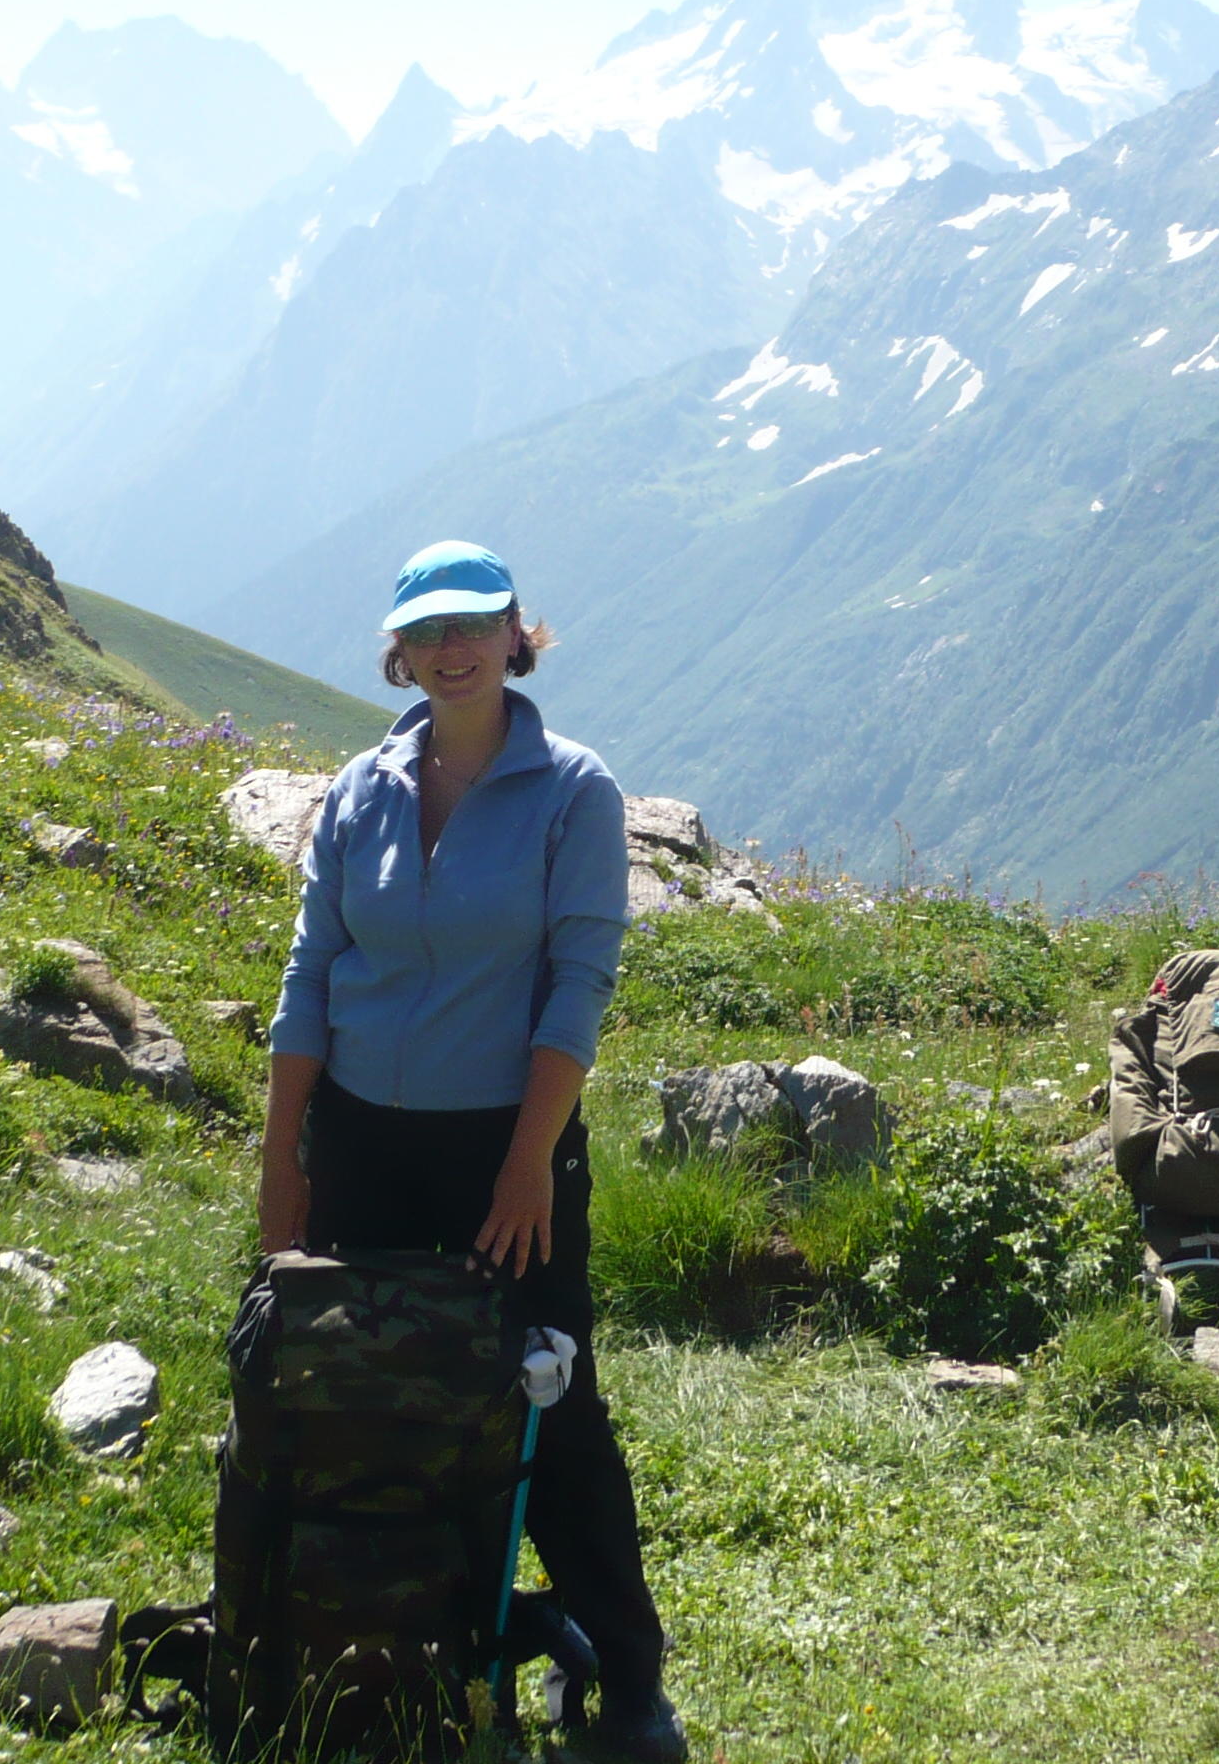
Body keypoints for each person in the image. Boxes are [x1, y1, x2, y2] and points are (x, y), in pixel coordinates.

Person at [257, 540, 686, 1763]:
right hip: (360, 1144)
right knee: (369, 1399)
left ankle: (633, 1686)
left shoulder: (574, 791)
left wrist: (527, 1167)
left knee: (550, 1404)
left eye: (474, 626)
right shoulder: (359, 791)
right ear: (399, 652)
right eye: (426, 632)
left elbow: (576, 986)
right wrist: (283, 1155)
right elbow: (311, 977)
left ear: (515, 636)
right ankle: (394, 1651)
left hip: (508, 1144)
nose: (451, 651)